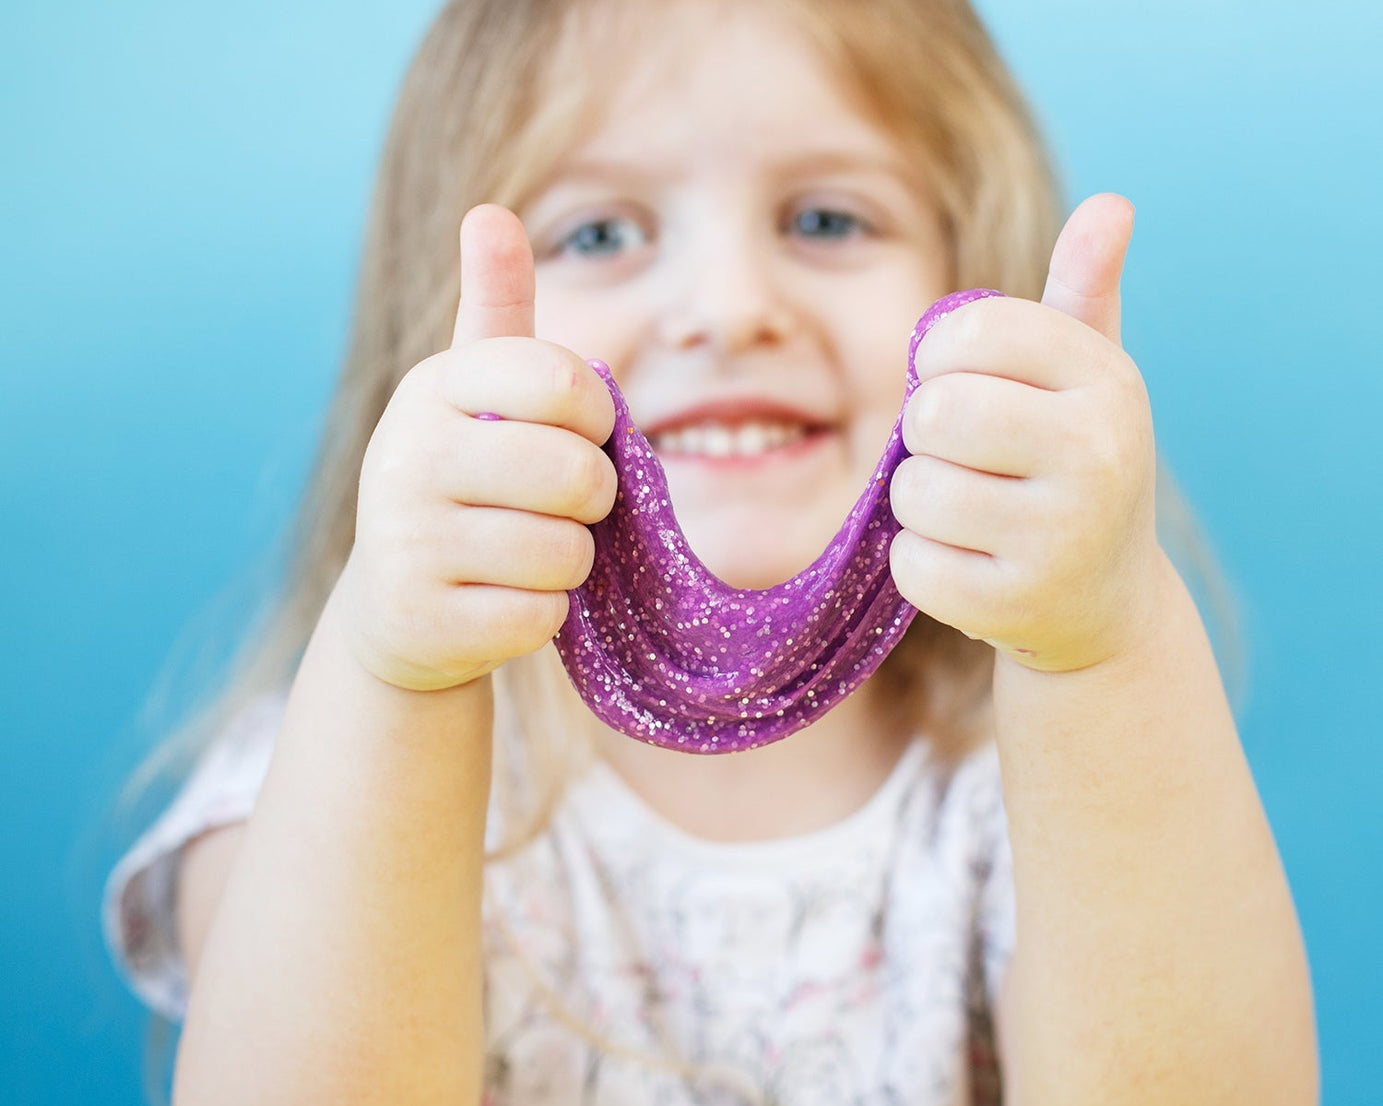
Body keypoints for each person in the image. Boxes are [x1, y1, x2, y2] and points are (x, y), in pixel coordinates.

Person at [102, 0, 1319, 1103]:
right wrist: (396, 676)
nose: (730, 302)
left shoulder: (1027, 788)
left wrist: (1103, 653)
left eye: (826, 218)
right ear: (439, 333)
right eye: (601, 233)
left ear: (970, 283)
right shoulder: (324, 768)